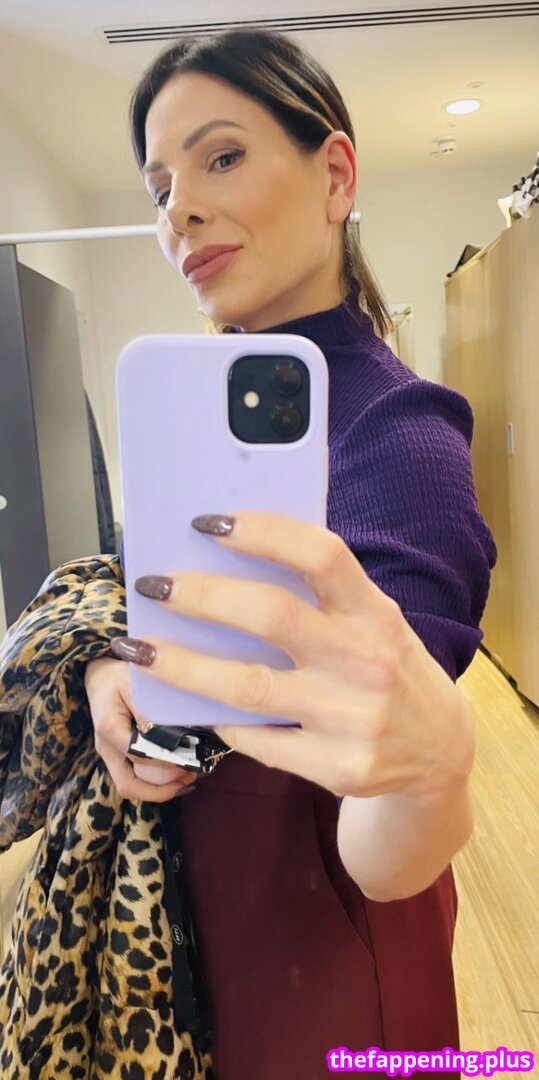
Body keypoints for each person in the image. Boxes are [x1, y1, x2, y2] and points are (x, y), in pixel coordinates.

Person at [7, 27, 497, 1080]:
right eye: (158, 187)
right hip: (186, 921)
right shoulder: (191, 414)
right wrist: (115, 671)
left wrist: (431, 772)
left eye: (220, 156)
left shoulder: (402, 440)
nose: (176, 210)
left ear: (334, 176)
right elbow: (150, 605)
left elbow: (383, 846)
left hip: (317, 939)